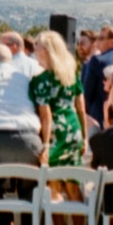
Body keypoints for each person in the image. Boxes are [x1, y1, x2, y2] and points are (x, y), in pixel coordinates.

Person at [29, 30, 86, 168]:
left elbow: (46, 116)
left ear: (45, 51)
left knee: (53, 182)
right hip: (73, 128)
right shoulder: (72, 76)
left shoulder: (40, 81)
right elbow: (81, 109)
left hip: (55, 133)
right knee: (72, 183)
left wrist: (46, 145)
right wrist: (85, 137)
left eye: (37, 46)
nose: (34, 50)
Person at [81, 25, 113, 133]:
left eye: (101, 38)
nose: (97, 41)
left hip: (99, 116)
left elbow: (87, 93)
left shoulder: (97, 61)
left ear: (112, 41)